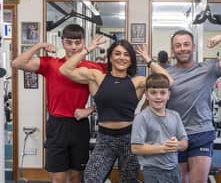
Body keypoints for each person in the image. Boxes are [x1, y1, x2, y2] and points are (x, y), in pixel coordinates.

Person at [59, 36, 173, 183]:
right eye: (117, 53)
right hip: (104, 139)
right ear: (110, 57)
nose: (122, 58)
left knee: (128, 179)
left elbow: (168, 81)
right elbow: (65, 69)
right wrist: (88, 49)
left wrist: (148, 60)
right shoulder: (97, 77)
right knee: (91, 178)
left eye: (126, 54)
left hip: (130, 138)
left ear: (131, 60)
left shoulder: (137, 82)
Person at [12, 24, 107, 183]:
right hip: (57, 125)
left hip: (79, 124)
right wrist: (40, 45)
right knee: (58, 177)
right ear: (62, 42)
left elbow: (114, 96)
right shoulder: (51, 63)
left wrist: (90, 109)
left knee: (76, 176)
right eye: (69, 42)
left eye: (78, 43)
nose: (73, 47)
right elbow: (17, 63)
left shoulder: (92, 67)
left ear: (83, 42)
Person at [166, 30, 221, 183]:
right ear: (173, 50)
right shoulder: (166, 74)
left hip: (201, 133)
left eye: (186, 44)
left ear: (193, 47)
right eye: (177, 45)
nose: (182, 48)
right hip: (175, 134)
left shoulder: (208, 68)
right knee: (181, 180)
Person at [131, 73, 188, 183]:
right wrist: (163, 148)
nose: (158, 96)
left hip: (174, 170)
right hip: (153, 171)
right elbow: (136, 148)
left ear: (168, 95)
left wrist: (177, 145)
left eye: (162, 93)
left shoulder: (175, 115)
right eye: (153, 93)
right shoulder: (141, 118)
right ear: (146, 95)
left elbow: (185, 143)